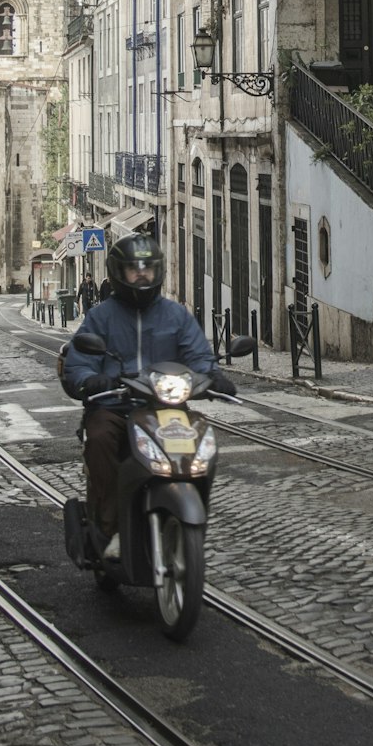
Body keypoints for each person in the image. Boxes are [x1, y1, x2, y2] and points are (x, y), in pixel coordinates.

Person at [62, 233, 235, 560]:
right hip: (115, 406)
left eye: (148, 268)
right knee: (99, 439)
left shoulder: (175, 315)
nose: (142, 275)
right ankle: (111, 530)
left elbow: (197, 353)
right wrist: (91, 379)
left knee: (201, 441)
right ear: (119, 273)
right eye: (134, 269)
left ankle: (189, 511)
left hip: (165, 407)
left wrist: (213, 376)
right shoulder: (101, 317)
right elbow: (79, 362)